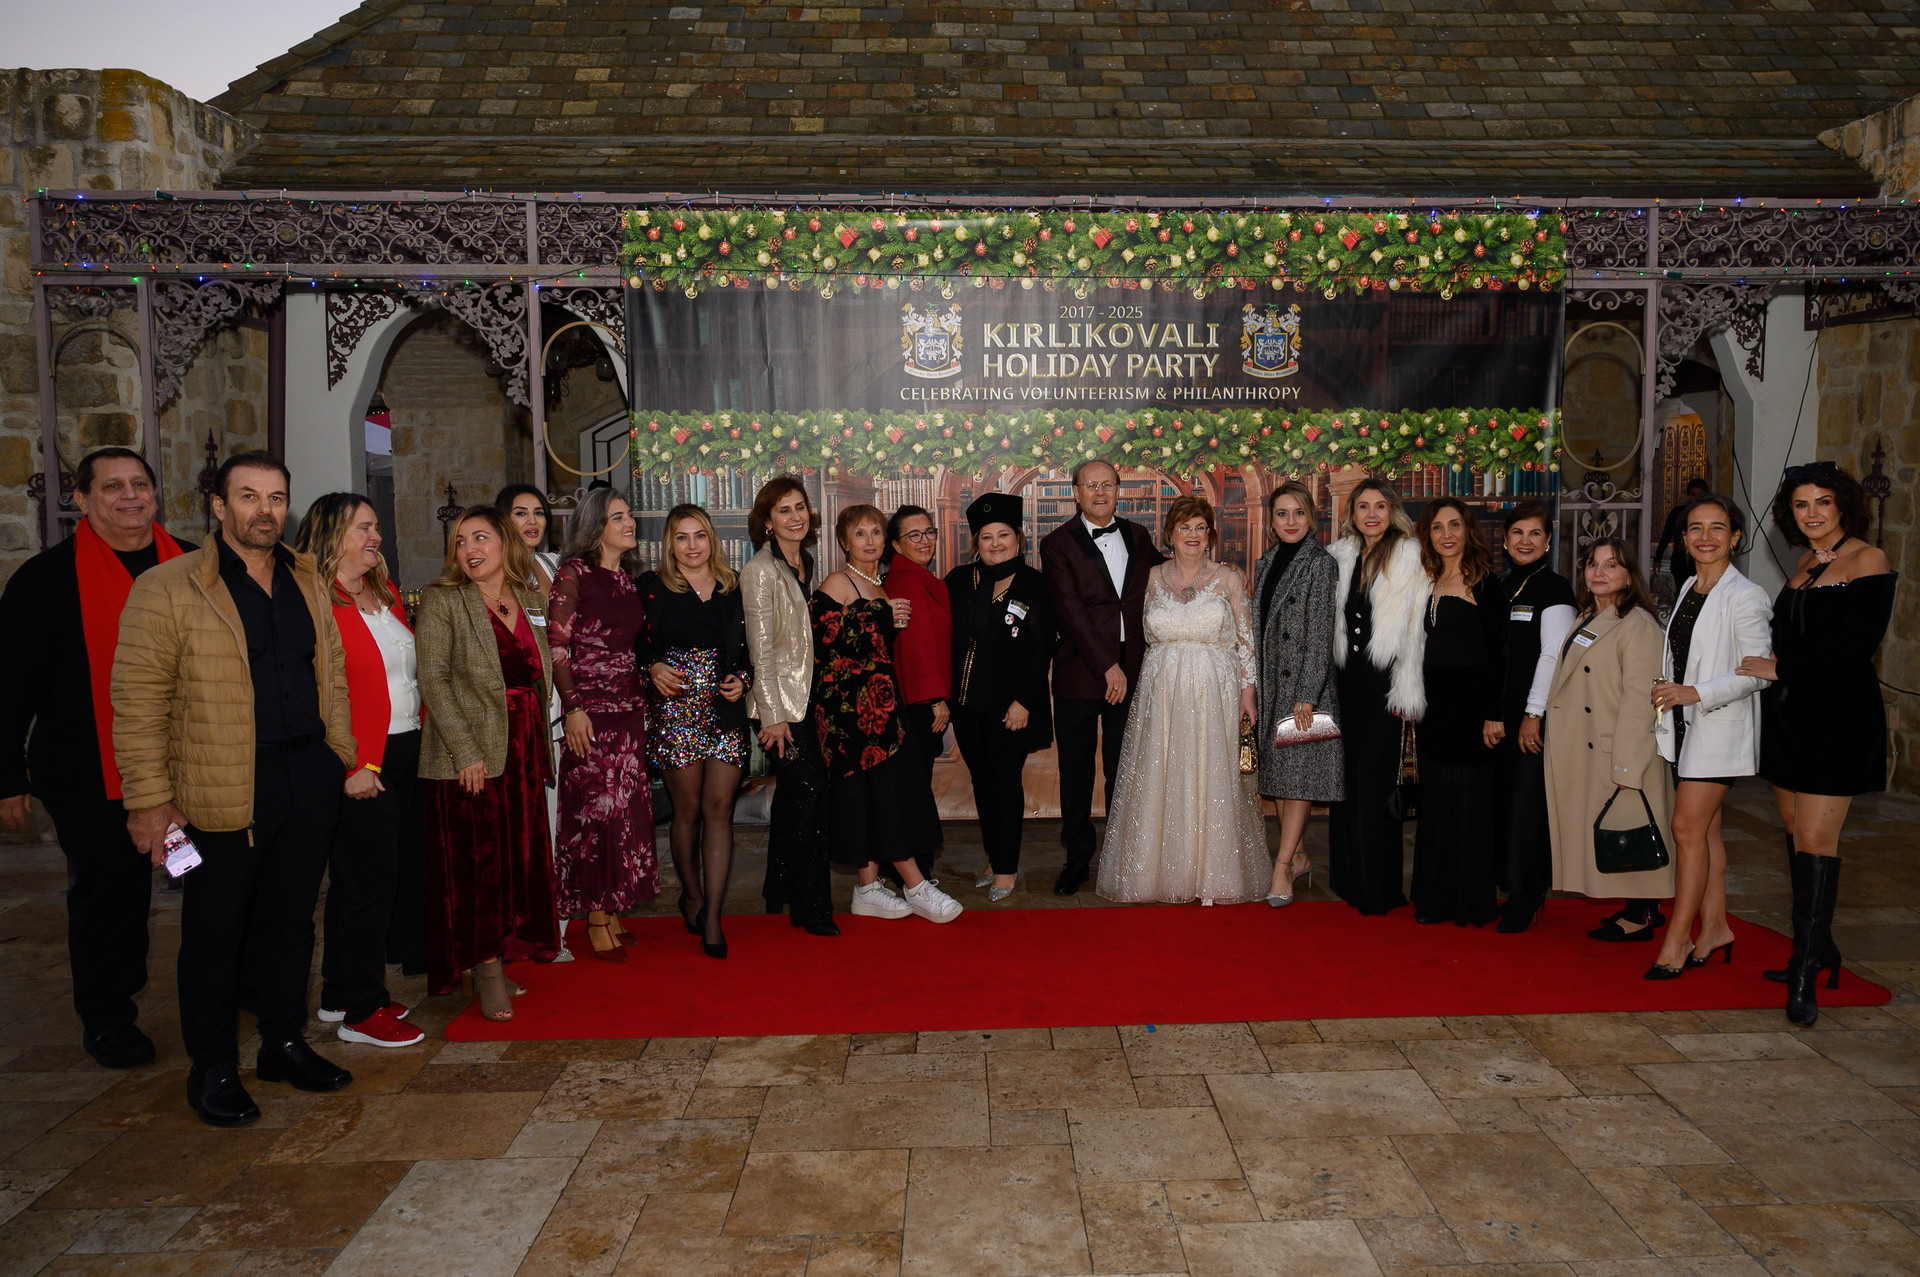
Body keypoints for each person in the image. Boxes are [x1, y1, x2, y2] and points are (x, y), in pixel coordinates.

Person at [113, 451, 356, 1126]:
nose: (264, 510)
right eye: (248, 496)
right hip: (219, 786)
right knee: (214, 931)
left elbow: (330, 671)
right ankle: (213, 1065)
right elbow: (137, 702)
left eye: (275, 497)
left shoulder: (306, 578)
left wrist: (337, 754)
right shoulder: (168, 586)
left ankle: (283, 1041)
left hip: (304, 778)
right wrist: (149, 800)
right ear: (219, 507)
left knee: (291, 921)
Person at [0, 448, 190, 1070]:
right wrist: (7, 773)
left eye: (140, 483)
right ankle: (108, 1014)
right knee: (112, 898)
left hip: (194, 762)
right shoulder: (44, 581)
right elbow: (11, 685)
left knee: (217, 882)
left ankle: (232, 984)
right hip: (89, 773)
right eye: (112, 487)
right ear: (81, 499)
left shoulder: (196, 564)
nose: (130, 496)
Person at [1740, 462, 1894, 1026]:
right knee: (1791, 827)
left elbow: (1856, 645)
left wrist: (1782, 667)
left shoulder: (1868, 559)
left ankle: (1804, 974)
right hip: (1791, 714)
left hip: (1838, 716)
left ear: (1843, 505)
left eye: (1822, 502)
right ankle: (1819, 947)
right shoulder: (1808, 562)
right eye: (1801, 504)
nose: (1812, 513)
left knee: (1814, 838)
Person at [414, 506, 560, 1020]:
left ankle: (499, 953)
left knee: (517, 862)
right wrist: (466, 750)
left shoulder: (527, 597)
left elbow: (536, 675)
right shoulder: (443, 599)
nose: (469, 549)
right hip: (471, 757)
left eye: (479, 537)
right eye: (459, 541)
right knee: (482, 868)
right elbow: (434, 679)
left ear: (504, 542)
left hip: (522, 749)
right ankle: (486, 968)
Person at [294, 493, 425, 1048]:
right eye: (364, 528)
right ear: (331, 534)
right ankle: (364, 1011)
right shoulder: (314, 600)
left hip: (404, 747)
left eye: (375, 527)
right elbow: (316, 693)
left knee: (360, 881)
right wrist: (351, 762)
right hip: (361, 759)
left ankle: (339, 992)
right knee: (368, 884)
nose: (377, 536)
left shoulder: (383, 589)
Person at [1096, 497, 1267, 905]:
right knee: (1162, 774)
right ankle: (1157, 874)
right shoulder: (1150, 577)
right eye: (1184, 527)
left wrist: (1248, 692)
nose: (1193, 535)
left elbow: (1246, 641)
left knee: (1213, 775)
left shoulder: (1228, 578)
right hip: (1162, 692)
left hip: (1215, 691)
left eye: (1200, 527)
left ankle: (1214, 874)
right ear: (1170, 534)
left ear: (1210, 535)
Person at [814, 505, 961, 922]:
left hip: (882, 709)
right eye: (860, 534)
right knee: (886, 795)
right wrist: (879, 614)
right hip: (850, 712)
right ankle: (916, 884)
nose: (870, 541)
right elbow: (822, 635)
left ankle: (867, 887)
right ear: (844, 542)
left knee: (874, 796)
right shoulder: (839, 581)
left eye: (876, 533)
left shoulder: (878, 584)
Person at [1647, 493, 1772, 979]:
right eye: (1695, 528)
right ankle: (1715, 927)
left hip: (1719, 729)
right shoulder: (1690, 586)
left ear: (1735, 537)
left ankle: (1678, 938)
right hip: (1685, 725)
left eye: (1717, 528)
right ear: (1683, 538)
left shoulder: (1747, 595)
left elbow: (1756, 673)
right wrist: (1669, 685)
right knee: (1707, 831)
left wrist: (1693, 692)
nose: (1705, 537)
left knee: (1685, 829)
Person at [1040, 460, 1166, 895]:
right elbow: (1069, 610)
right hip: (1080, 672)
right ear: (1075, 492)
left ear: (1118, 490)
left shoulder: (1138, 535)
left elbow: (1167, 574)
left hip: (1131, 671)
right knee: (1076, 773)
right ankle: (1077, 858)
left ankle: (1121, 855)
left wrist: (1215, 571)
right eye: (1090, 485)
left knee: (1123, 768)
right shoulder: (1056, 543)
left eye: (1107, 485)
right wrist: (1107, 665)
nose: (1099, 492)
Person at [1543, 538, 1676, 929]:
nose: (1599, 573)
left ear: (1629, 575)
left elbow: (1641, 702)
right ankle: (1638, 908)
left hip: (1619, 750)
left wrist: (1627, 767)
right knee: (1613, 832)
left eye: (1611, 565)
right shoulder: (1588, 617)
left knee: (1630, 829)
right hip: (1587, 745)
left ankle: (1643, 913)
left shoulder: (1638, 625)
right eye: (1592, 564)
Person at [639, 504, 751, 959]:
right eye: (681, 537)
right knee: (686, 810)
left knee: (719, 809)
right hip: (676, 709)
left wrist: (744, 678)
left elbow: (752, 646)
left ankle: (714, 918)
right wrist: (652, 666)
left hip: (726, 709)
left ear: (712, 540)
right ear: (670, 543)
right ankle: (692, 896)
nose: (691, 546)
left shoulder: (734, 585)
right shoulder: (650, 586)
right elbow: (634, 643)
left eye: (699, 535)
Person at [549, 488, 655, 963]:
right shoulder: (574, 574)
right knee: (595, 814)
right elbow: (557, 647)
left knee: (625, 813)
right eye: (618, 517)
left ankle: (611, 909)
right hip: (589, 714)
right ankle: (594, 916)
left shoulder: (625, 578)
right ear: (596, 526)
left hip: (629, 709)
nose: (629, 522)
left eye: (629, 515)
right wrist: (573, 708)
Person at [740, 477, 838, 937]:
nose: (796, 517)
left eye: (800, 507)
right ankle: (810, 907)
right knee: (811, 795)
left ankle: (779, 886)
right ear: (767, 521)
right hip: (780, 707)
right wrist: (773, 716)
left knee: (795, 798)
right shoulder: (760, 570)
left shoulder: (803, 561)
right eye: (784, 510)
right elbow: (760, 651)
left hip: (806, 698)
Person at [945, 493, 1055, 901]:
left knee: (1005, 783)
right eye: (987, 537)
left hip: (1012, 708)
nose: (995, 544)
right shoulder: (959, 581)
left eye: (1003, 535)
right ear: (976, 542)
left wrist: (1023, 701)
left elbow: (1041, 649)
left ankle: (1006, 869)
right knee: (982, 782)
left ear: (1018, 538)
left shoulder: (1035, 584)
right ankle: (995, 855)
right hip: (966, 704)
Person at [1325, 478, 1426, 915]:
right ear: (1352, 513)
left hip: (1385, 686)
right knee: (1345, 782)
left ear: (1392, 511)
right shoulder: (1339, 555)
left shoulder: (1410, 556)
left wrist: (1408, 688)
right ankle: (1348, 879)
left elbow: (1417, 630)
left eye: (1379, 506)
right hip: (1345, 684)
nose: (1371, 514)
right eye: (1363, 506)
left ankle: (1378, 886)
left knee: (1374, 782)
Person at [1407, 498, 1505, 927]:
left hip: (1472, 711)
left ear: (1468, 530)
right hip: (1435, 710)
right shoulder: (1426, 580)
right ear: (1427, 535)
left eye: (1454, 525)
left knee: (1469, 805)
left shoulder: (1485, 583)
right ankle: (1435, 899)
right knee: (1437, 803)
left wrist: (1494, 713)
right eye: (1437, 527)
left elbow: (1500, 655)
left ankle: (1469, 903)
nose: (1446, 534)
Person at [1251, 480, 1342, 907]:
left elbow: (1321, 633)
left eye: (1299, 513)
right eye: (1282, 514)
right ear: (1271, 521)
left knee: (1298, 776)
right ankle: (1300, 855)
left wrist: (1307, 694)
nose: (1291, 521)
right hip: (1273, 684)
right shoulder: (1266, 562)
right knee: (1281, 779)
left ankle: (1283, 866)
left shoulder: (1320, 564)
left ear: (1311, 519)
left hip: (1305, 688)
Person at [1491, 502, 1578, 933]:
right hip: (1501, 716)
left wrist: (1533, 714)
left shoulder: (1554, 589)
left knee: (1528, 807)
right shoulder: (1503, 584)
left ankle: (1528, 894)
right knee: (1507, 803)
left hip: (1534, 717)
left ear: (1548, 540)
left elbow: (1552, 656)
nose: (1525, 541)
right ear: (1505, 539)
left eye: (1535, 534)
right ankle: (1511, 887)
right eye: (1518, 533)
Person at [495, 483, 571, 962]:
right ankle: (523, 927)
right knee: (523, 826)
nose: (532, 521)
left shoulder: (553, 565)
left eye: (538, 513)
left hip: (562, 708)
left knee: (558, 819)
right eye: (520, 513)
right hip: (517, 715)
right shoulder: (492, 571)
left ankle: (557, 925)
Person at [884, 504, 951, 880]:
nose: (924, 540)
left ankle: (911, 871)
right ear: (896, 545)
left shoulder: (918, 577)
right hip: (918, 701)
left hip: (918, 697)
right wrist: (935, 699)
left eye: (929, 532)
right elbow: (915, 646)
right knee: (912, 789)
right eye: (914, 535)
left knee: (912, 785)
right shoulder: (906, 581)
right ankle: (913, 874)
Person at [1653, 477, 1710, 586]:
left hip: (1702, 560)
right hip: (1680, 561)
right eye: (1693, 494)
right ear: (1688, 495)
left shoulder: (1711, 515)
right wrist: (1657, 558)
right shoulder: (1678, 513)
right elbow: (1666, 535)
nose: (1697, 498)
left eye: (1700, 494)